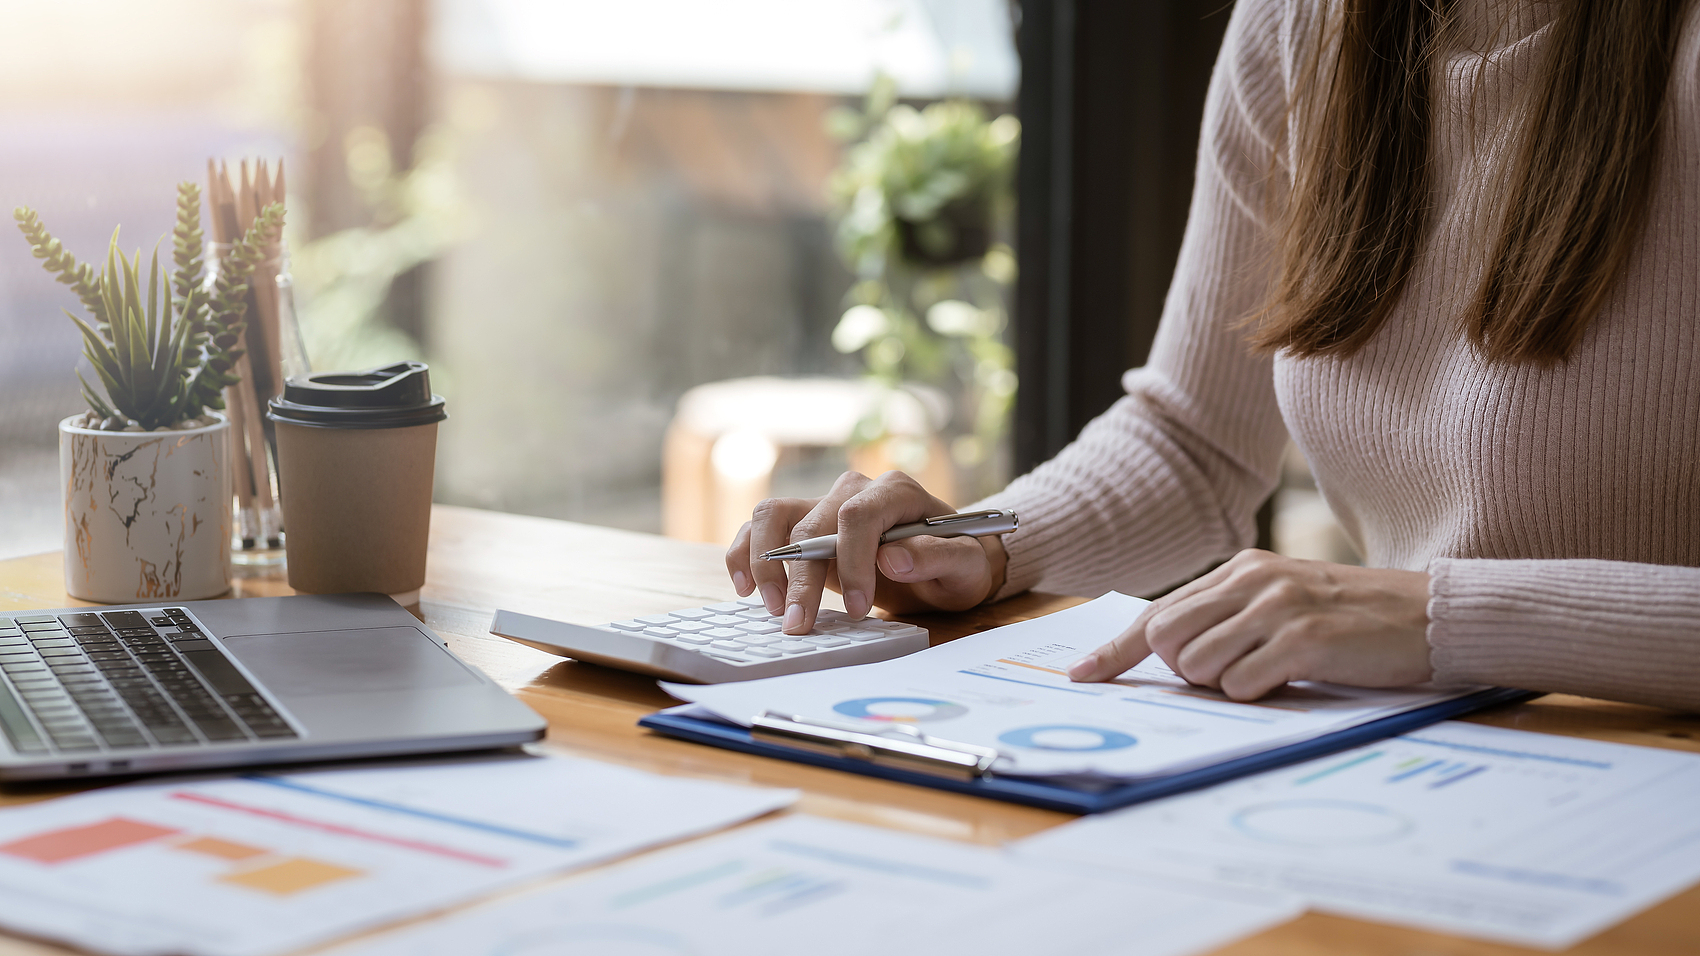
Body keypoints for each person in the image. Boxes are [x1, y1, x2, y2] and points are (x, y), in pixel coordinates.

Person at [724, 0, 1700, 712]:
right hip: (1426, 750)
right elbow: (1192, 438)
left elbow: (1426, 614)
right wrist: (984, 542)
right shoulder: (1298, 25)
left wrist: (1445, 619)